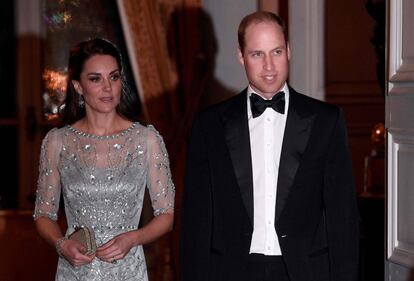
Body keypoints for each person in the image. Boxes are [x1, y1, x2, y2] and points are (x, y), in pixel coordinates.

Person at [180, 11, 359, 281]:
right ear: (241, 56)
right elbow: (196, 219)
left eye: (276, 51)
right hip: (232, 271)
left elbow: (342, 216)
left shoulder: (326, 121)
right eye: (257, 54)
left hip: (305, 271)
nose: (269, 66)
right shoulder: (210, 125)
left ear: (289, 50)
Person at [33, 38, 175, 281]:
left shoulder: (146, 139)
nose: (108, 88)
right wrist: (61, 245)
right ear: (78, 86)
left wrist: (133, 238)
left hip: (128, 270)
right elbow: (43, 214)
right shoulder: (58, 142)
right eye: (95, 79)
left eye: (114, 77)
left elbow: (166, 216)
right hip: (75, 272)